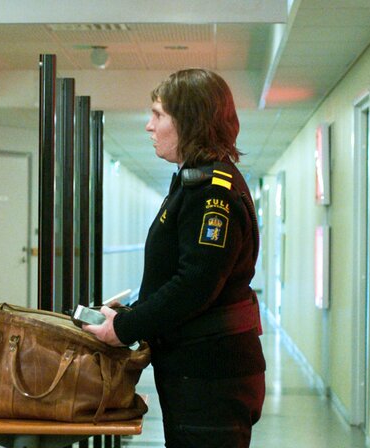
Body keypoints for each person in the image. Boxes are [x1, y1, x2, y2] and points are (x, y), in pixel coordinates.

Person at [83, 68, 266, 448]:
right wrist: (130, 314)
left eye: (158, 115)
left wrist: (125, 328)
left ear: (189, 121)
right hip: (199, 369)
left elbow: (195, 284)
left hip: (210, 374)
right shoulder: (194, 182)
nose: (149, 126)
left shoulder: (212, 191)